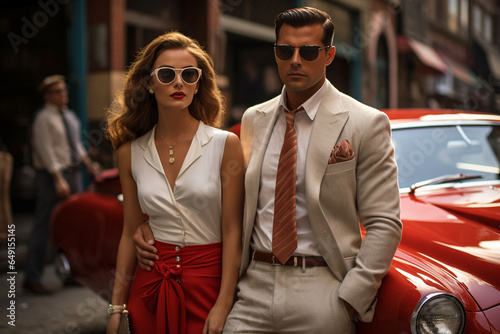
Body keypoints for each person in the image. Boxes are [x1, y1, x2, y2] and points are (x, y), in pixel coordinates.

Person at [134, 7, 402, 333]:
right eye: (285, 51)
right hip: (253, 286)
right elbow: (222, 200)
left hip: (322, 288)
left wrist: (351, 298)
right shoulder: (253, 119)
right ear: (276, 53)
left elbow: (384, 223)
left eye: (309, 51)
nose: (296, 60)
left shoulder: (365, 123)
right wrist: (151, 226)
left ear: (329, 55)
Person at [105, 31, 244, 334]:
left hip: (209, 287)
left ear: (198, 84)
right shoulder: (130, 153)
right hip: (150, 286)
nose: (178, 82)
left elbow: (233, 230)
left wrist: (224, 303)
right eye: (167, 74)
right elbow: (130, 232)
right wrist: (116, 308)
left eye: (189, 74)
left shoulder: (225, 145)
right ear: (150, 84)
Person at [24, 75, 98, 294]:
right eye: (58, 91)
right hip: (52, 176)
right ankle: (32, 276)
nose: (63, 94)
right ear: (47, 95)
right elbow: (44, 149)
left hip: (73, 174)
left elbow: (76, 144)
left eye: (64, 90)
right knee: (45, 225)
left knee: (71, 224)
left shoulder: (69, 116)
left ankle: (70, 273)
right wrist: (57, 178)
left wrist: (89, 165)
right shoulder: (43, 118)